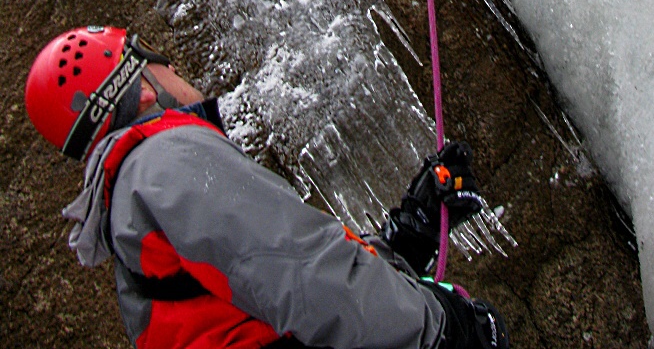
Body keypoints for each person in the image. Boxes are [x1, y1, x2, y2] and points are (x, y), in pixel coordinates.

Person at [24, 25, 510, 349]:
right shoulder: (166, 164)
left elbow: (273, 287)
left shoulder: (138, 196)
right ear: (144, 86)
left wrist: (408, 235)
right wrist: (445, 328)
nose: (177, 69)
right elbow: (307, 276)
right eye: (160, 58)